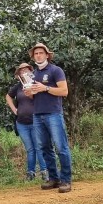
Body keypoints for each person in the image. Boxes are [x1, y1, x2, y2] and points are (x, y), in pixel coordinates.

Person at [27, 42, 73, 193]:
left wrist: (45, 88)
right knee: (45, 148)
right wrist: (29, 93)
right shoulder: (32, 74)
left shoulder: (56, 70)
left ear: (47, 55)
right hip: (37, 114)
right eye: (36, 53)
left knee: (61, 147)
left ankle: (66, 180)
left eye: (41, 53)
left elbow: (64, 91)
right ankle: (54, 178)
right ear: (33, 57)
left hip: (53, 113)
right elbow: (33, 95)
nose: (38, 55)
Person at [5, 63, 47, 181]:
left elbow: (40, 99)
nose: (24, 72)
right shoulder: (18, 86)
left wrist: (30, 90)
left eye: (26, 70)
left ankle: (44, 171)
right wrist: (14, 109)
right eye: (21, 71)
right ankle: (30, 173)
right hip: (22, 123)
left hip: (35, 121)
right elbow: (8, 96)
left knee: (39, 147)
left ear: (30, 71)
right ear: (18, 74)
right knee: (30, 149)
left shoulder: (36, 84)